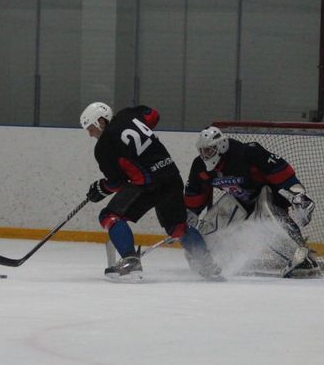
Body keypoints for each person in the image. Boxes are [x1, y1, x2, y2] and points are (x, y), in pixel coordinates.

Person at [81, 102, 220, 280]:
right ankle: (207, 264)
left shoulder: (103, 147)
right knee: (178, 227)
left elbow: (117, 183)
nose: (90, 133)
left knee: (109, 216)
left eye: (91, 127)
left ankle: (131, 261)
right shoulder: (129, 114)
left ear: (102, 120)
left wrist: (101, 188)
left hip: (148, 183)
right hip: (171, 176)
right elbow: (153, 115)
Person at [184, 126, 320, 278]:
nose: (205, 156)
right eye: (202, 151)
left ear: (221, 146)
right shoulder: (200, 166)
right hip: (240, 202)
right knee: (208, 231)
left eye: (208, 151)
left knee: (265, 218)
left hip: (267, 196)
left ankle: (302, 257)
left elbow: (280, 170)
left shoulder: (247, 153)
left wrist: (298, 195)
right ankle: (206, 262)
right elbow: (195, 193)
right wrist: (189, 213)